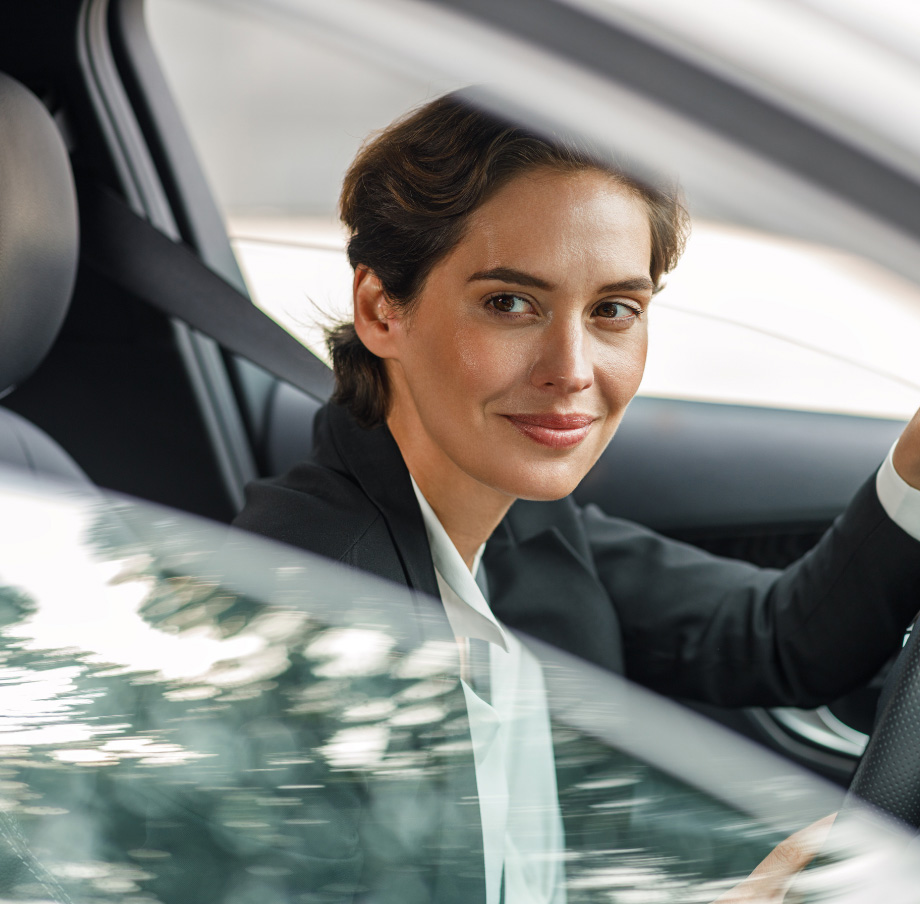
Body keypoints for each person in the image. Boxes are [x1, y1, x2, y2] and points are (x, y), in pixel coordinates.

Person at [233, 92, 920, 901]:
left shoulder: (518, 517)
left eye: (613, 311)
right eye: (510, 303)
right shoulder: (309, 597)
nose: (573, 368)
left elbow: (781, 640)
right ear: (382, 310)